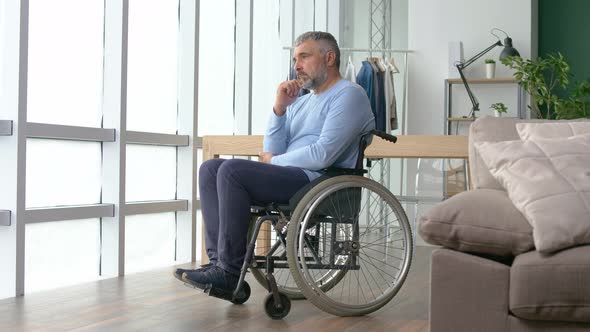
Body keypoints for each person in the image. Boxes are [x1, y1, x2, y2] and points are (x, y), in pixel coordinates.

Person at [174, 31, 375, 293]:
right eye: (295, 59)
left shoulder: (349, 95)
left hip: (320, 180)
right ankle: (219, 265)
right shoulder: (301, 104)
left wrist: (274, 161)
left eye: (304, 56)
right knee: (211, 169)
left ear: (329, 58)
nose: (297, 66)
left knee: (232, 171)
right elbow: (272, 149)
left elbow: (323, 153)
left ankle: (229, 271)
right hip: (293, 178)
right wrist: (280, 109)